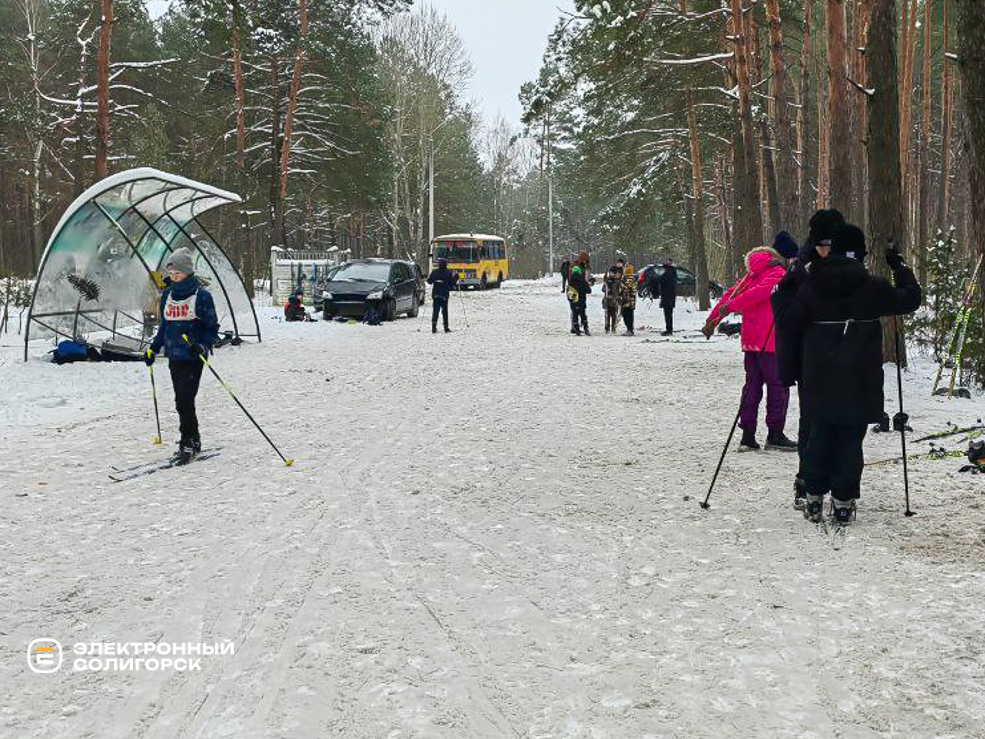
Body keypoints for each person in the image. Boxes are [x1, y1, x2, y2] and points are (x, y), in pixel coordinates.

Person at [773, 224, 921, 525]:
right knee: (851, 442)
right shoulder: (873, 286)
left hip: (819, 378)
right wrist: (899, 265)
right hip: (860, 379)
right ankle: (843, 500)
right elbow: (910, 298)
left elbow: (787, 320)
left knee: (819, 437)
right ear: (860, 254)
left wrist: (787, 283)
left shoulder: (810, 286)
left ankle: (813, 496)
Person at [772, 210, 845, 509]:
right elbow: (786, 315)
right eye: (824, 242)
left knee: (841, 421)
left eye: (832, 242)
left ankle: (838, 481)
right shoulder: (800, 268)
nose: (829, 249)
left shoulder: (846, 263)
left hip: (844, 357)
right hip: (809, 358)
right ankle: (806, 478)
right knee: (811, 422)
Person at [706, 246, 796, 452]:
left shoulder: (750, 276)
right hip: (772, 341)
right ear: (773, 257)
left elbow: (730, 296)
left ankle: (748, 436)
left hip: (751, 340)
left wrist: (714, 317)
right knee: (777, 388)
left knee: (751, 387)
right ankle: (775, 434)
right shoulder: (777, 273)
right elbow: (760, 293)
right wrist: (727, 309)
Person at [144, 247, 220, 465]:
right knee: (181, 401)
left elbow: (212, 327)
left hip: (193, 357)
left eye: (178, 272)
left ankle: (187, 441)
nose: (174, 275)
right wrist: (153, 348)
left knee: (185, 400)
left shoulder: (202, 296)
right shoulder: (167, 295)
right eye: (171, 272)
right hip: (174, 356)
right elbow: (165, 326)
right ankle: (193, 439)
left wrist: (203, 346)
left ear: (188, 272)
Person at [426, 258, 459, 333]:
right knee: (444, 312)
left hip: (435, 294)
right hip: (444, 295)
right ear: (446, 264)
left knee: (435, 311)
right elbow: (452, 284)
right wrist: (456, 277)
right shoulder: (448, 272)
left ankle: (433, 328)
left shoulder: (434, 272)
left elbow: (429, 281)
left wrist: (434, 279)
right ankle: (446, 328)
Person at [566, 251, 593, 336]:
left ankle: (577, 327)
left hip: (577, 291)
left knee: (577, 311)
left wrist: (589, 281)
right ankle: (576, 327)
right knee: (577, 311)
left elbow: (583, 278)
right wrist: (586, 285)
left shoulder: (581, 267)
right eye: (585, 260)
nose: (585, 262)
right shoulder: (575, 267)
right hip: (576, 291)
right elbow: (579, 279)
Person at [658, 259, 677, 335]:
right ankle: (669, 329)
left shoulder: (668, 273)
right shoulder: (673, 272)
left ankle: (669, 330)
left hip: (667, 296)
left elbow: (661, 279)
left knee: (668, 314)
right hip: (670, 295)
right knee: (669, 314)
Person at [602, 265, 623, 333]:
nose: (611, 274)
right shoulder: (607, 280)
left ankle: (613, 328)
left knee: (614, 314)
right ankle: (607, 327)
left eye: (613, 273)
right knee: (607, 314)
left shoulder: (617, 281)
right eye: (610, 272)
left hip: (615, 300)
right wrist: (606, 286)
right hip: (607, 299)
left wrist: (619, 296)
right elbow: (603, 289)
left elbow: (620, 291)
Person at [620, 264, 637, 336]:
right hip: (627, 300)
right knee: (627, 314)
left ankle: (630, 329)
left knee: (627, 315)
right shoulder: (627, 278)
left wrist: (621, 283)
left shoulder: (630, 278)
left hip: (629, 301)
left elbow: (626, 288)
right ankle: (629, 329)